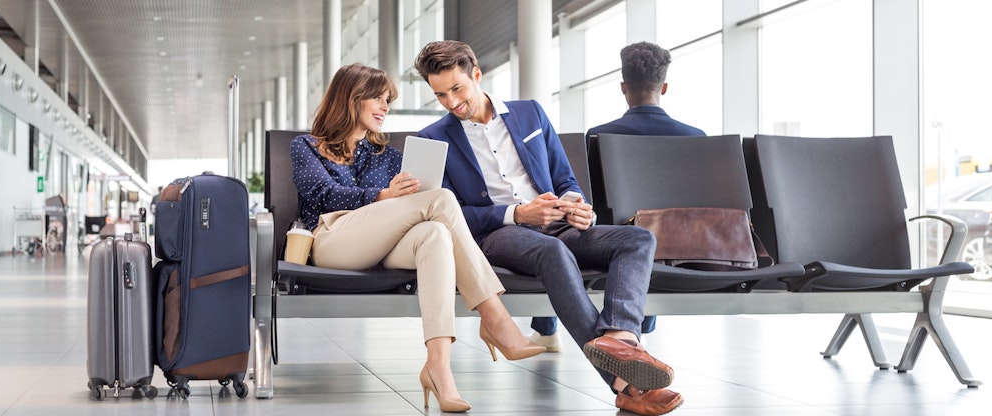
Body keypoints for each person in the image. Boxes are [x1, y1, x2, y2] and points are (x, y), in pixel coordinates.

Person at [414, 41, 683, 416]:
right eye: (440, 94)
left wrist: (576, 204)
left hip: (558, 223)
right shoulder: (434, 138)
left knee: (637, 238)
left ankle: (621, 337)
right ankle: (625, 383)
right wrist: (518, 215)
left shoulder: (530, 114)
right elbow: (448, 215)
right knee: (551, 252)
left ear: (476, 75)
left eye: (457, 89)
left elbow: (564, 178)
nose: (451, 102)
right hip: (498, 235)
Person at [291, 63, 545, 413]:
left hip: (383, 246)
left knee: (435, 233)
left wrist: (405, 194)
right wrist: (384, 196)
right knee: (441, 199)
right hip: (333, 240)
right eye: (377, 99)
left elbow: (412, 211)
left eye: (387, 100)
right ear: (351, 98)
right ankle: (495, 317)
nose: (384, 107)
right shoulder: (307, 146)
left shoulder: (389, 156)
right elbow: (321, 195)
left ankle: (438, 366)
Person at [522, 42, 707, 345]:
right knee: (648, 236)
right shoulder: (696, 138)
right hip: (679, 245)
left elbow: (589, 201)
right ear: (665, 86)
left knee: (563, 232)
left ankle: (545, 331)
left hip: (614, 240)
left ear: (623, 87)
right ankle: (638, 329)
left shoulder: (599, 136)